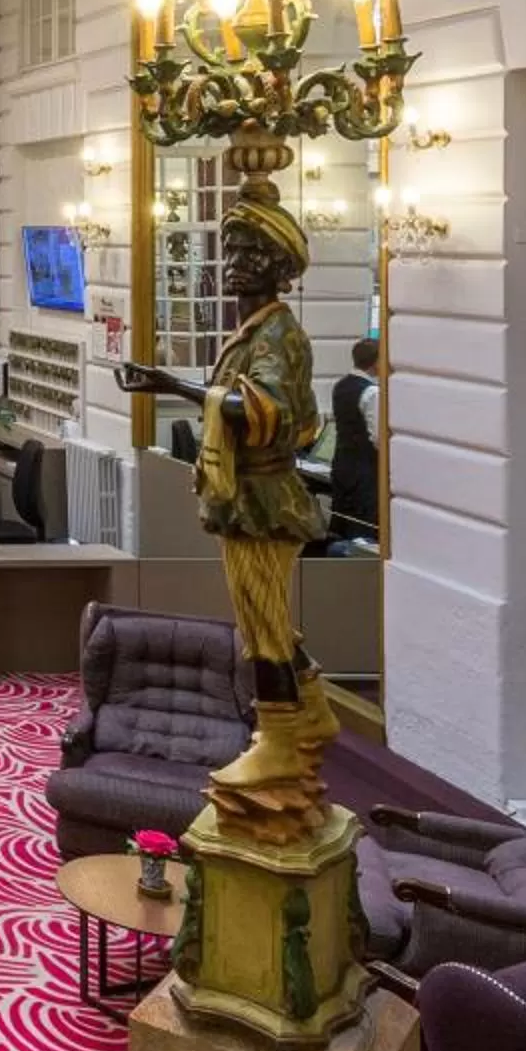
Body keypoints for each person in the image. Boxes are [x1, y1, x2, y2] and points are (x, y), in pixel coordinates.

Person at [114, 192, 333, 846]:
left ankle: (282, 735)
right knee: (259, 620)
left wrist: (174, 387)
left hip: (265, 503)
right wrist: (166, 384)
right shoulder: (258, 330)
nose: (231, 262)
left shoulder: (280, 333)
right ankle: (311, 715)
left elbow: (258, 410)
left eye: (247, 253)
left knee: (262, 625)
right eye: (232, 249)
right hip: (246, 499)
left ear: (275, 266)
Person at [328, 333, 381, 546]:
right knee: (362, 530)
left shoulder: (340, 386)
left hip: (342, 465)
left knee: (342, 521)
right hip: (364, 472)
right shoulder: (371, 392)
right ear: (376, 362)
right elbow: (378, 438)